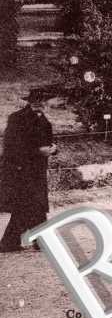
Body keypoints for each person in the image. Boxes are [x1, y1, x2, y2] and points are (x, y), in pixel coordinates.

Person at [0, 89, 57, 253]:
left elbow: (47, 143)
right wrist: (39, 151)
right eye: (36, 100)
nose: (39, 103)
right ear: (29, 101)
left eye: (42, 99)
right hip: (19, 169)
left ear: (46, 102)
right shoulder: (17, 118)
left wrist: (53, 149)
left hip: (37, 170)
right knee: (30, 204)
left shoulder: (45, 122)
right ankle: (37, 241)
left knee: (31, 205)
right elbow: (12, 147)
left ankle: (15, 242)